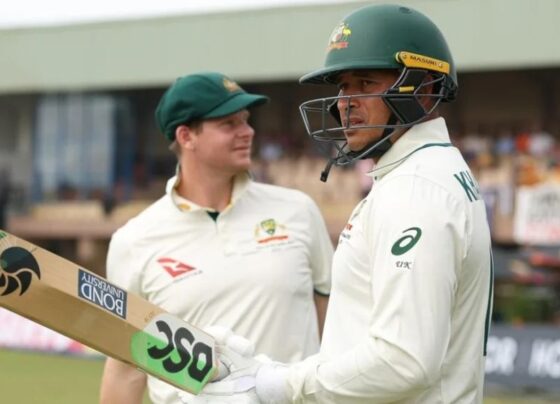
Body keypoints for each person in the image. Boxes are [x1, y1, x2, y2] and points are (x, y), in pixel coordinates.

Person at [198, 4, 494, 403]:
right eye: (342, 86)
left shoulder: (415, 189)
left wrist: (276, 386)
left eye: (365, 83)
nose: (344, 102)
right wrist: (271, 372)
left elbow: (403, 361)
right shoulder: (425, 173)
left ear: (423, 90)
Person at [99, 72, 333, 404]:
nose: (247, 132)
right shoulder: (133, 240)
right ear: (186, 136)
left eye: (246, 120)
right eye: (229, 124)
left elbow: (335, 323)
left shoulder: (299, 211)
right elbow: (126, 369)